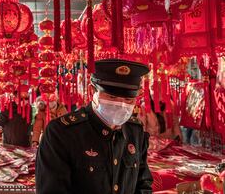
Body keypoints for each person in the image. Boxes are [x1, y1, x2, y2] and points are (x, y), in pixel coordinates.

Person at [36, 59, 153, 194]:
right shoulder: (61, 132)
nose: (121, 105)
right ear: (92, 91)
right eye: (112, 97)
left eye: (128, 100)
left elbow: (143, 183)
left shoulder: (135, 130)